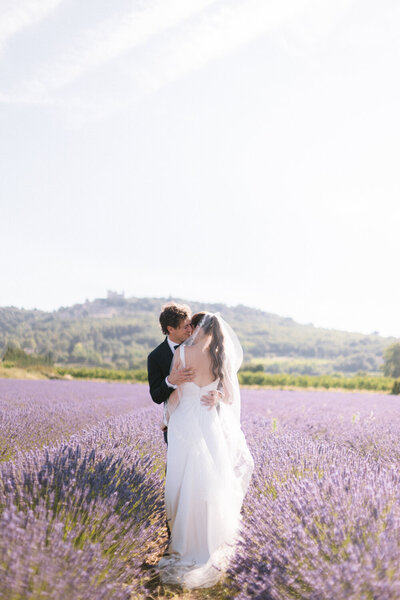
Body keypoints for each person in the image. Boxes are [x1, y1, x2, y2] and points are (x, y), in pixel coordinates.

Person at [157, 312, 254, 589]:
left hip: (184, 422)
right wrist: (218, 395)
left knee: (182, 479)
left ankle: (183, 542)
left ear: (197, 328)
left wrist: (164, 420)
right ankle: (209, 540)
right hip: (208, 419)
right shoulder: (220, 356)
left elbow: (175, 393)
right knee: (210, 479)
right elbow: (230, 395)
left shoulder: (183, 353)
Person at [147, 303, 220, 443]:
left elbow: (219, 380)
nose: (190, 329)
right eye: (185, 326)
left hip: (204, 420)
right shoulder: (155, 357)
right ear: (170, 329)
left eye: (190, 324)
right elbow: (156, 396)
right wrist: (170, 381)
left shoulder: (200, 348)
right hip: (175, 424)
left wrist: (218, 395)